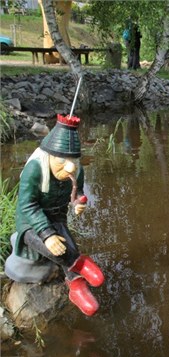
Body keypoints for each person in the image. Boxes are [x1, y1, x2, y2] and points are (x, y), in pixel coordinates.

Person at [4, 115, 105, 317]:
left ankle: (77, 288)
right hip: (31, 223)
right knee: (58, 250)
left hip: (57, 218)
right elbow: (27, 204)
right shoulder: (35, 169)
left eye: (73, 160)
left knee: (69, 246)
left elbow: (78, 193)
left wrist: (78, 203)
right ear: (49, 155)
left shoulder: (76, 170)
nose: (69, 167)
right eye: (61, 160)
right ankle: (79, 265)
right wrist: (46, 234)